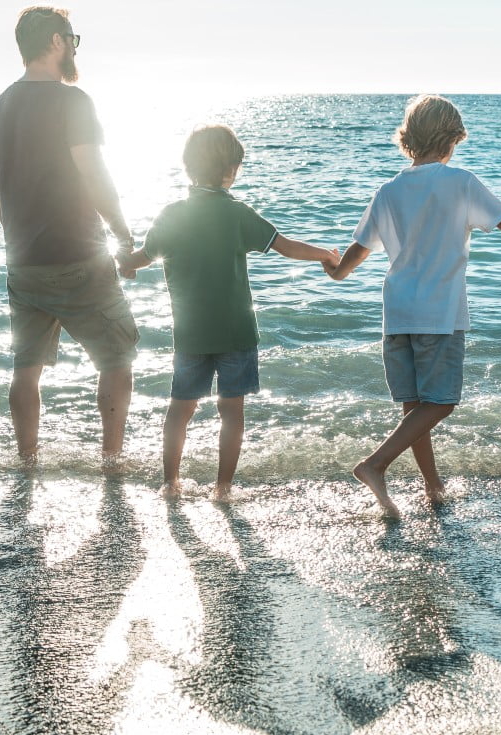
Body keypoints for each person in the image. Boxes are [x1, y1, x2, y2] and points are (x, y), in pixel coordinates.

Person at [327, 95, 501, 518]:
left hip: (397, 313)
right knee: (441, 402)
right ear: (451, 139)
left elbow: (357, 251)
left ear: (409, 139)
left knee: (416, 407)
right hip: (438, 312)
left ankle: (433, 486)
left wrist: (336, 272)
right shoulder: (460, 182)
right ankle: (375, 464)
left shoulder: (388, 190)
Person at [118, 125, 340, 501]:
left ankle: (170, 483)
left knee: (181, 408)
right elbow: (285, 247)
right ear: (229, 171)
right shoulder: (238, 213)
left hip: (191, 334)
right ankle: (223, 488)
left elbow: (142, 258)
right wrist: (327, 254)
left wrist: (122, 264)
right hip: (237, 332)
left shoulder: (171, 214)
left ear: (189, 167)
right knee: (231, 411)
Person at [0, 6, 139, 466]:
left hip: (22, 259)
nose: (73, 46)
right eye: (72, 37)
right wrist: (124, 237)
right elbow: (94, 174)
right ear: (55, 41)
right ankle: (111, 460)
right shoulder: (74, 101)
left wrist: (14, 235)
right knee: (116, 357)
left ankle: (27, 460)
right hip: (76, 257)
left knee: (25, 368)